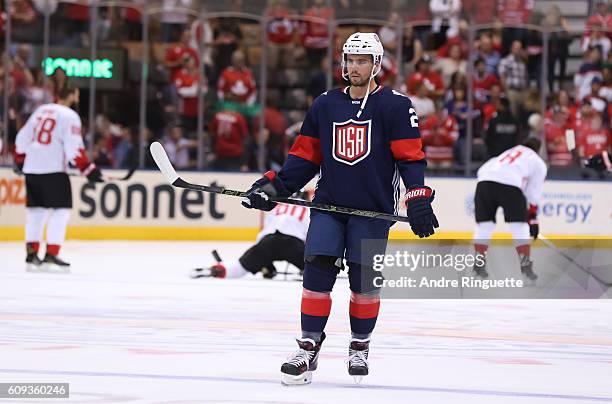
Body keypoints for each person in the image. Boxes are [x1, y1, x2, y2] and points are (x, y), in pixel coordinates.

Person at [241, 32, 438, 385]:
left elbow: (411, 159)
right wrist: (273, 186)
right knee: (316, 274)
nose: (354, 66)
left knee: (364, 284)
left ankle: (359, 345)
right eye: (350, 59)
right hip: (329, 206)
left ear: (377, 64)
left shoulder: (396, 105)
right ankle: (308, 348)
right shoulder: (325, 104)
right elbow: (304, 157)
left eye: (362, 60)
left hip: (372, 212)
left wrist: (418, 198)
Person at [13, 85, 103, 270]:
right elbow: (74, 148)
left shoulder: (41, 110)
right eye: (76, 95)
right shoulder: (70, 116)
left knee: (35, 212)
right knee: (60, 211)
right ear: (72, 96)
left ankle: (31, 254)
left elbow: (22, 138)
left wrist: (20, 161)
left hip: (32, 168)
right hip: (53, 169)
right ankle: (52, 253)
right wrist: (88, 170)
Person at [472, 137, 547, 281]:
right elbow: (533, 192)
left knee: (484, 225)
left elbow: (484, 169)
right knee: (519, 227)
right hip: (510, 183)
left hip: (484, 181)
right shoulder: (537, 161)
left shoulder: (509, 152)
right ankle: (526, 268)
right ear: (539, 150)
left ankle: (478, 265)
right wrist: (532, 218)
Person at [191, 193, 310, 280]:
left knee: (238, 268)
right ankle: (310, 273)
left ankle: (217, 270)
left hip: (268, 241)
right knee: (317, 272)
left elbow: (263, 235)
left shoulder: (278, 207)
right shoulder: (309, 209)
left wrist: (264, 264)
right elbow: (310, 236)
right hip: (293, 244)